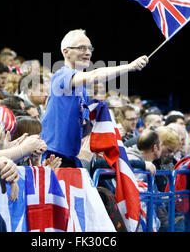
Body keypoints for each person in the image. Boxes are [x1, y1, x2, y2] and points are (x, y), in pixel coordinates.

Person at [41, 29, 148, 167]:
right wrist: (129, 67)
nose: (88, 52)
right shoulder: (61, 75)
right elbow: (94, 76)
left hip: (72, 157)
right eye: (81, 48)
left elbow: (82, 125)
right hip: (53, 156)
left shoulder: (83, 90)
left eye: (89, 48)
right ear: (66, 51)